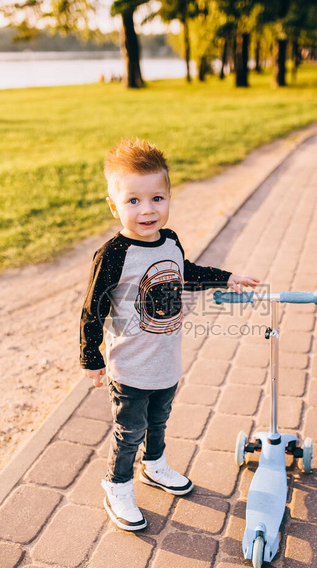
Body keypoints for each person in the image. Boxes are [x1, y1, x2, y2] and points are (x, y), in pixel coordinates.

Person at [80, 138, 260, 531]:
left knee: (159, 422)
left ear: (168, 197)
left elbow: (187, 274)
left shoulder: (171, 240)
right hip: (129, 366)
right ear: (115, 206)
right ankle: (117, 484)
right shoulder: (113, 255)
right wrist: (91, 359)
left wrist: (226, 278)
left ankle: (155, 465)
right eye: (133, 201)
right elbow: (91, 309)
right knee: (130, 432)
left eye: (157, 198)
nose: (147, 210)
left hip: (166, 362)